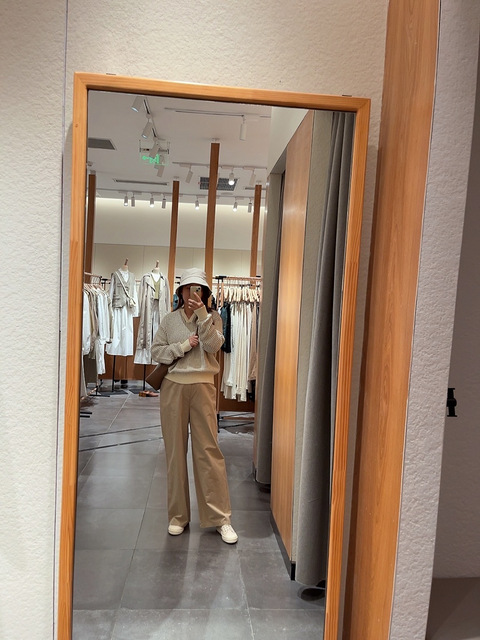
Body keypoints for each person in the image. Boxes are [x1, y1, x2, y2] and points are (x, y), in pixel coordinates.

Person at [151, 268, 238, 544]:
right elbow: (156, 351)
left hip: (203, 388)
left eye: (198, 288)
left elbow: (213, 347)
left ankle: (220, 518)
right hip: (173, 387)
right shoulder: (169, 320)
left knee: (209, 451)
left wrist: (202, 316)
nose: (193, 293)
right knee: (175, 452)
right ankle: (178, 516)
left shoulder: (213, 318)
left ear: (205, 292)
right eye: (188, 287)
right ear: (181, 291)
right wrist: (181, 347)